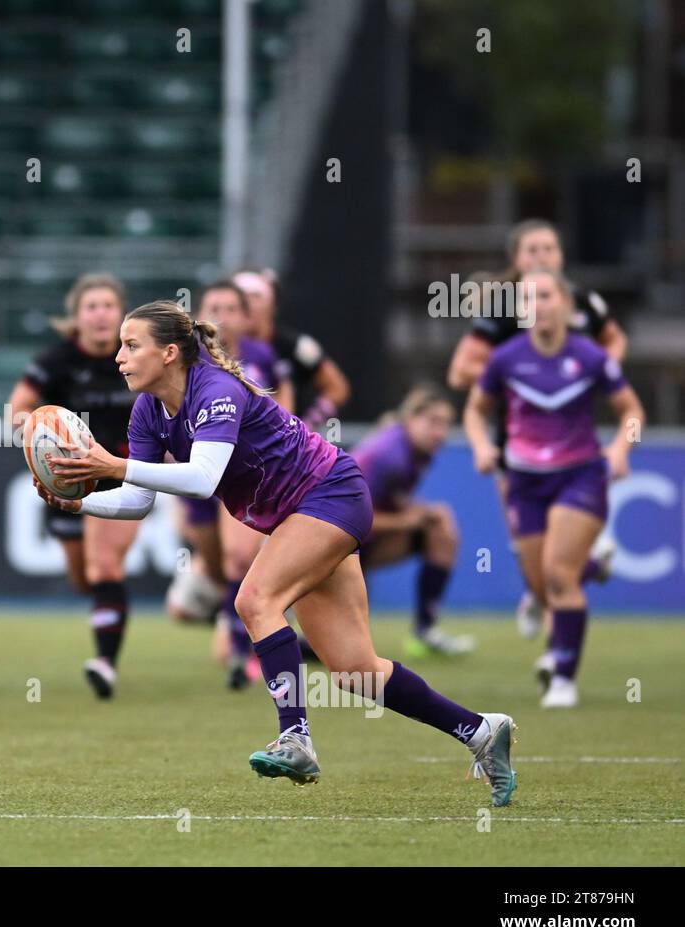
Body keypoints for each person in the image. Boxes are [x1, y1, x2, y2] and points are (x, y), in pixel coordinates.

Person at [37, 300, 517, 806]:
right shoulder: (148, 412)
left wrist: (114, 465)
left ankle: (296, 738)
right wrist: (80, 502)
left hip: (331, 493)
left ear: (171, 353)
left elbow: (202, 480)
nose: (119, 357)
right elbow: (137, 502)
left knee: (254, 600)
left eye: (131, 345)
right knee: (354, 669)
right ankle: (482, 730)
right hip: (298, 513)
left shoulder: (216, 390)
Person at [463, 269, 643, 708]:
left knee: (559, 574)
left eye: (545, 296)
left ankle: (562, 675)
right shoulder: (505, 358)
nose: (538, 305)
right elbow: (474, 410)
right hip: (523, 481)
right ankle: (592, 565)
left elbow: (632, 412)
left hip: (579, 475)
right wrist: (482, 445)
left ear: (565, 304)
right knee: (543, 583)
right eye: (528, 299)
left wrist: (621, 449)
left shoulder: (591, 357)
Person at [447, 220, 624, 637]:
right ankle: (570, 577)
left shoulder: (584, 303)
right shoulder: (504, 310)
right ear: (516, 259)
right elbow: (460, 372)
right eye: (532, 250)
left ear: (561, 257)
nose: (542, 257)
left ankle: (557, 651)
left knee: (558, 555)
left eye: (550, 249)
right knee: (528, 542)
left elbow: (615, 342)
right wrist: (519, 377)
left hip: (573, 438)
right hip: (518, 442)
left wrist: (597, 373)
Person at [8, 274, 138, 698]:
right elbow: (17, 407)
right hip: (67, 483)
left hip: (122, 474)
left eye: (107, 305)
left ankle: (105, 664)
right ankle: (106, 612)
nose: (100, 313)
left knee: (105, 567)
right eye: (91, 306)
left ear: (120, 314)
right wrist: (35, 427)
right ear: (77, 317)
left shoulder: (137, 356)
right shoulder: (56, 360)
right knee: (85, 579)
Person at [167, 280, 295, 690]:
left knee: (240, 559)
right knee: (218, 567)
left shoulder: (261, 357)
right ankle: (238, 623)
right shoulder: (186, 360)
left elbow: (283, 403)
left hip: (242, 475)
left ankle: (241, 654)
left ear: (245, 317)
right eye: (213, 306)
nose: (221, 314)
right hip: (197, 475)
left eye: (230, 307)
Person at [351, 384, 473, 657]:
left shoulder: (415, 451)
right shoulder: (389, 455)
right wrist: (410, 521)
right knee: (338, 651)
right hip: (329, 551)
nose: (440, 432)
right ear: (411, 418)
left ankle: (425, 632)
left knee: (440, 526)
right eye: (433, 422)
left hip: (358, 547)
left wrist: (420, 513)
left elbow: (387, 502)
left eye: (445, 424)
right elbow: (350, 516)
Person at [231, 268, 349, 432]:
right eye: (240, 296)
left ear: (272, 303)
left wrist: (307, 425)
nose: (247, 304)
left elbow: (337, 388)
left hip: (283, 444)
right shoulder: (216, 345)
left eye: (255, 296)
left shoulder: (296, 346)